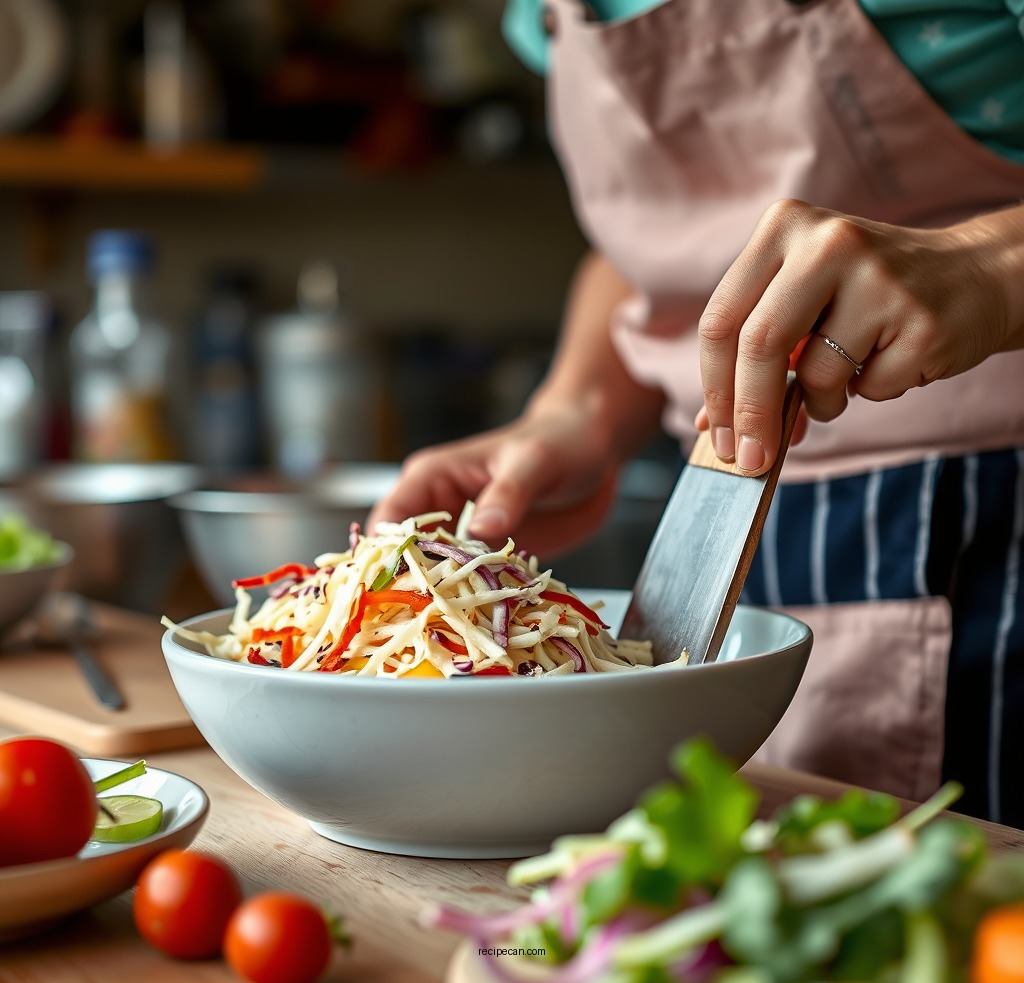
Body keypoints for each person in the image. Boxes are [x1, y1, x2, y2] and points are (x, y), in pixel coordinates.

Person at [369, 0, 1024, 825]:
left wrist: (988, 266)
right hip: (722, 528)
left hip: (989, 524)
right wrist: (574, 409)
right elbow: (654, 246)